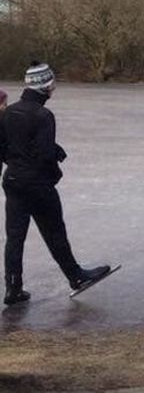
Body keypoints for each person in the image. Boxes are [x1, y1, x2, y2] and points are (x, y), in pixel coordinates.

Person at [0, 62, 112, 305]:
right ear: (46, 86)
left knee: (15, 236)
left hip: (13, 179)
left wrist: (20, 162)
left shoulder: (9, 112)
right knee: (54, 232)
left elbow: (4, 148)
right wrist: (54, 174)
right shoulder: (43, 115)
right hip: (37, 183)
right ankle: (76, 277)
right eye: (52, 84)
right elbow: (43, 156)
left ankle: (13, 288)